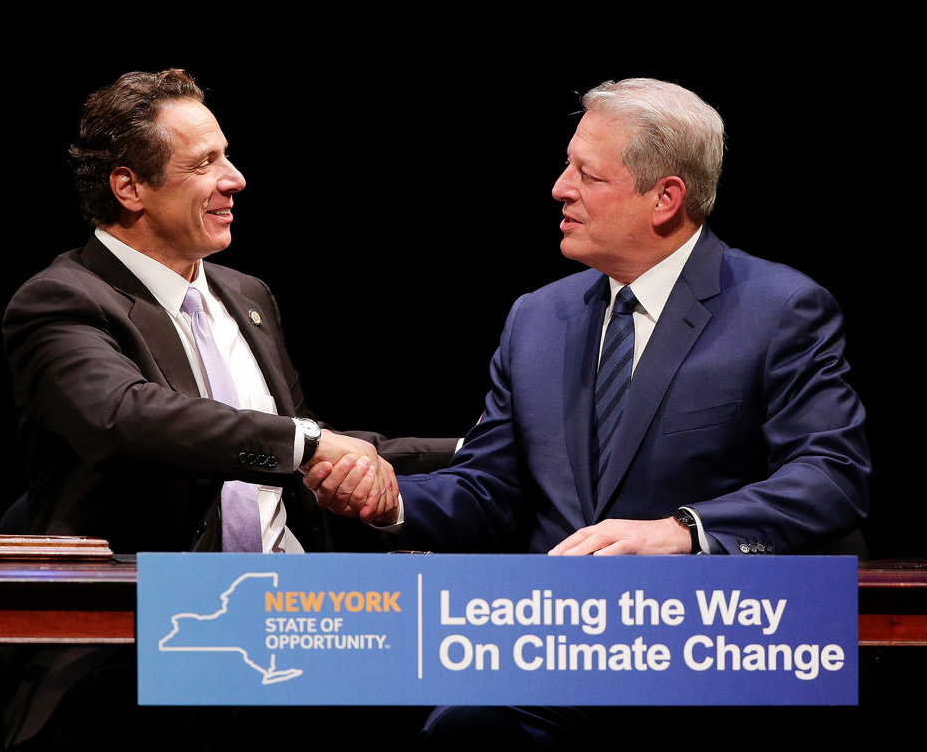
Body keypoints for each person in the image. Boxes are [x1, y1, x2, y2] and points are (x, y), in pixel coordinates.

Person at [305, 77, 871, 747]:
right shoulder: (537, 318)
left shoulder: (780, 309)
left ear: (666, 197)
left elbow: (831, 476)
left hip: (710, 650)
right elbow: (489, 488)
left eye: (585, 174)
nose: (558, 188)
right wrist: (387, 498)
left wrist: (683, 530)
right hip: (562, 649)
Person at [0, 68, 457, 750]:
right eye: (206, 162)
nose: (235, 178)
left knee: (449, 691)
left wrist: (485, 448)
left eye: (227, 155)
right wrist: (309, 445)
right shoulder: (63, 301)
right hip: (148, 631)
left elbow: (310, 442)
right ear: (130, 187)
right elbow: (126, 416)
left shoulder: (247, 296)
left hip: (295, 615)